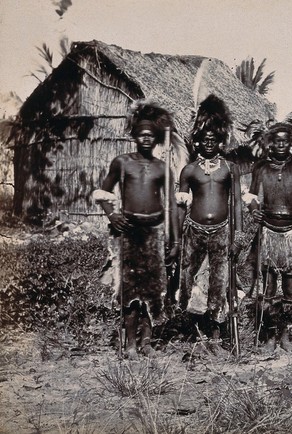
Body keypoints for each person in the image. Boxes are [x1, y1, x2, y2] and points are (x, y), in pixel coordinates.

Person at [93, 101, 180, 360]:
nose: (145, 137)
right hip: (129, 232)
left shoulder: (163, 168)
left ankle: (147, 342)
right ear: (133, 136)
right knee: (130, 291)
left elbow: (173, 206)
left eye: (150, 134)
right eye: (141, 133)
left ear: (156, 138)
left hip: (154, 233)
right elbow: (102, 192)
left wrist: (174, 241)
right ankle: (130, 342)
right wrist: (113, 214)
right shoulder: (122, 163)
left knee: (153, 291)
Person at [176, 95, 242, 355]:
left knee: (219, 281)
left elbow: (236, 203)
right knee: (192, 282)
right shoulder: (189, 170)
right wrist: (175, 240)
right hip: (193, 232)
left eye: (213, 140)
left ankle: (216, 337)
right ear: (197, 142)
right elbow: (181, 206)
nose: (209, 144)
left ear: (220, 142)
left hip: (222, 233)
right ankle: (197, 337)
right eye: (204, 140)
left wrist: (239, 235)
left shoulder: (230, 168)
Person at [247, 122, 292, 353]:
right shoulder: (261, 167)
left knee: (290, 288)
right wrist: (254, 208)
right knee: (267, 289)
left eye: (285, 141)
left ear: (291, 143)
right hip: (267, 230)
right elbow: (252, 196)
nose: (281, 145)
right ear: (270, 143)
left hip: (291, 232)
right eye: (277, 141)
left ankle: (285, 336)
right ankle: (268, 337)